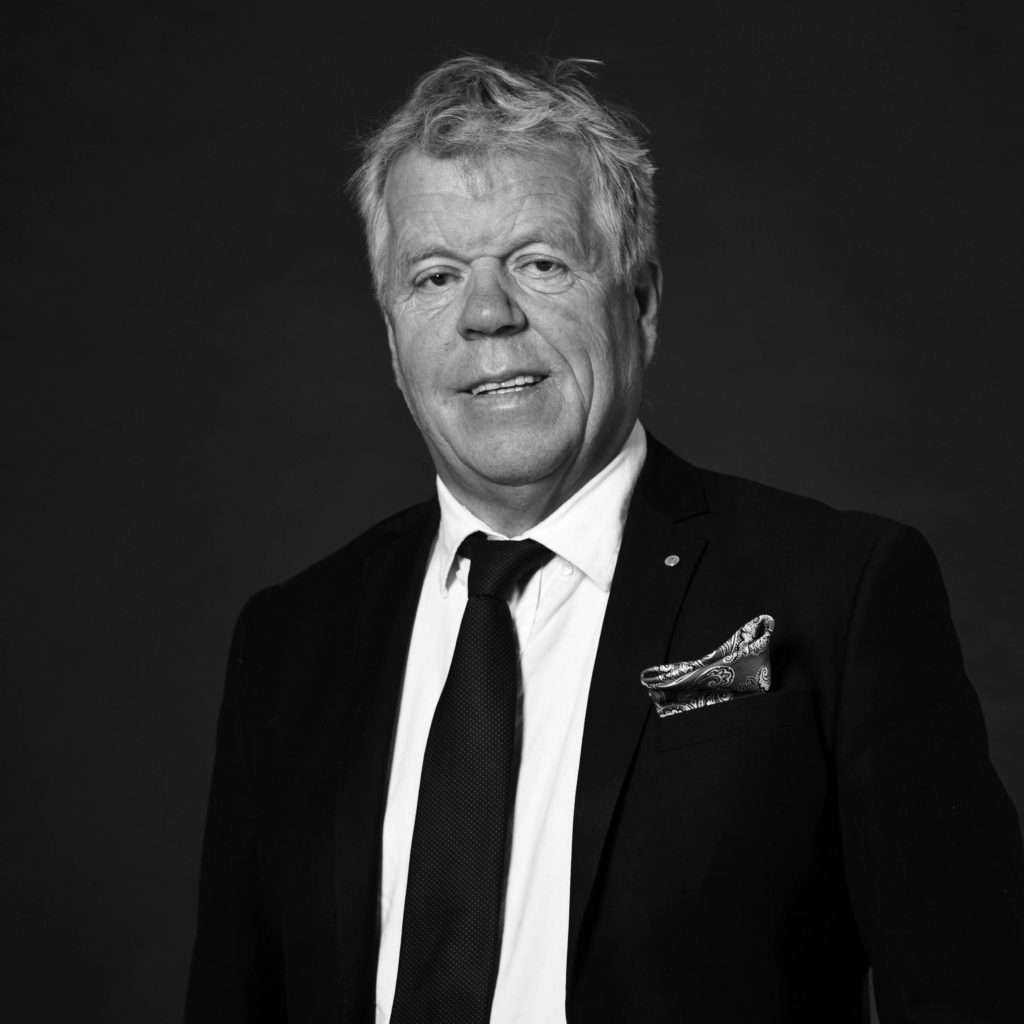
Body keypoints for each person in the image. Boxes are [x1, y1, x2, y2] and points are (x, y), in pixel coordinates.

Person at [185, 56, 1024, 1023]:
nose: (487, 314)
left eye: (540, 262)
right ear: (391, 334)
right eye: (436, 276)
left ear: (642, 302)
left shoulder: (839, 592)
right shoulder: (290, 642)